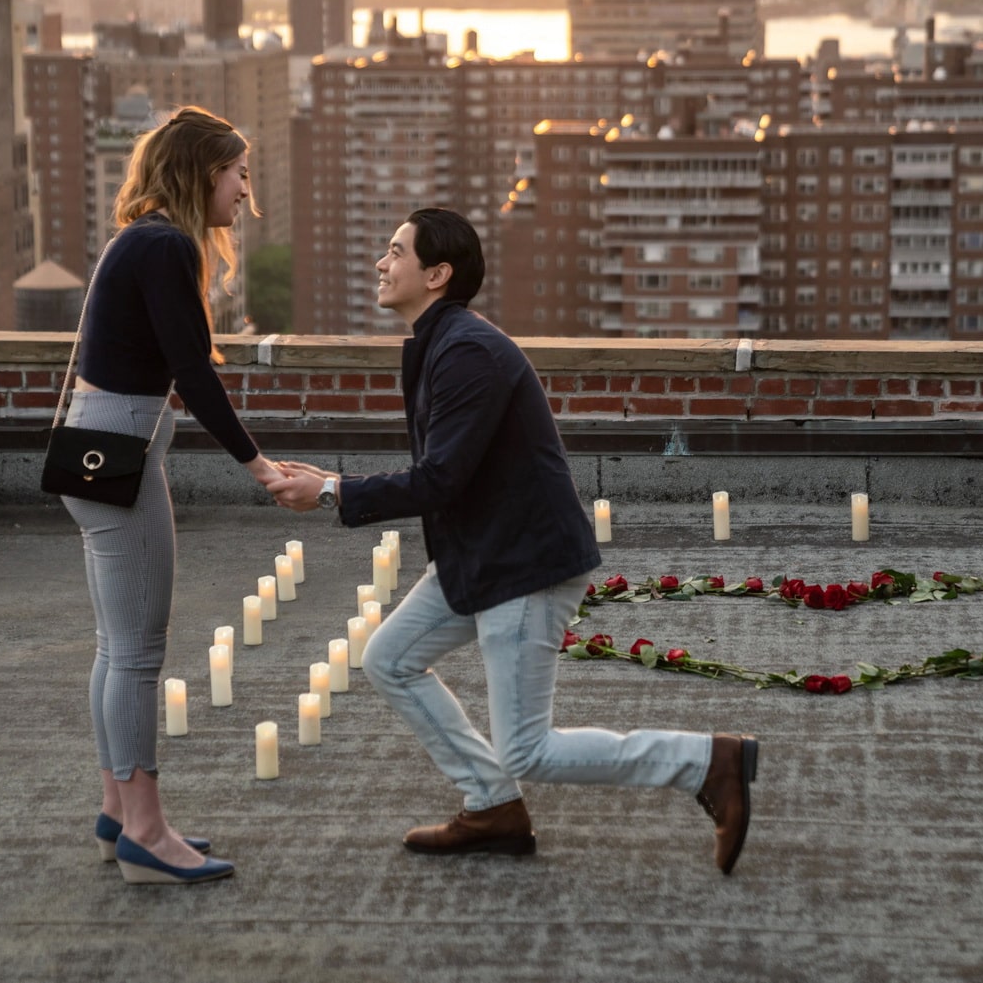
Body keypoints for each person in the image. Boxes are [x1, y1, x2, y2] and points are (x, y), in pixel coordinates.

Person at [269, 208, 757, 874]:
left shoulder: (466, 350)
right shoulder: (441, 341)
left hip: (523, 564)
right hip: (482, 554)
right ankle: (492, 803)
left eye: (394, 252)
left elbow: (440, 477)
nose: (381, 265)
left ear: (437, 274)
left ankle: (706, 760)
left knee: (530, 748)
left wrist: (332, 490)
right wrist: (332, 483)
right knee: (390, 657)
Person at [61, 106, 286, 885]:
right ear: (202, 170)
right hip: (122, 445)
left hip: (99, 441)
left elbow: (175, 370)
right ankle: (147, 835)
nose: (245, 193)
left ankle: (118, 812)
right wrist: (260, 466)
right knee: (138, 651)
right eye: (238, 173)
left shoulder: (144, 239)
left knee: (114, 647)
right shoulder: (164, 245)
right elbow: (195, 374)